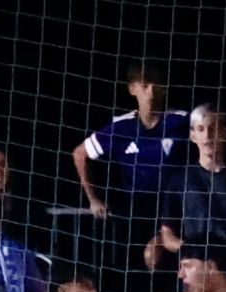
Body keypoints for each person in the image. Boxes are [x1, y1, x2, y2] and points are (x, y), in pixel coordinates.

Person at [71, 61, 188, 279]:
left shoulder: (180, 121)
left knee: (156, 257)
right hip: (135, 209)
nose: (151, 91)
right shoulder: (121, 127)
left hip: (174, 208)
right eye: (144, 85)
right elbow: (79, 154)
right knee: (131, 267)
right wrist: (93, 199)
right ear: (132, 89)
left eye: (156, 84)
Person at [158, 104, 226, 278]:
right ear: (192, 135)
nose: (207, 136)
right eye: (201, 129)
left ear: (224, 133)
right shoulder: (180, 180)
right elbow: (167, 235)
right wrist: (195, 252)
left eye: (213, 128)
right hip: (198, 276)